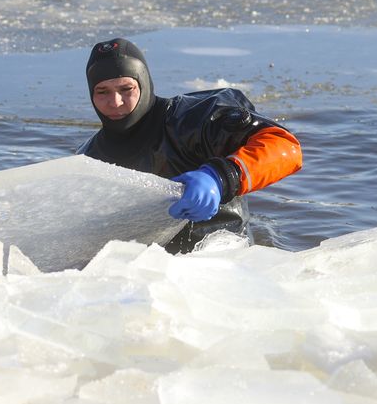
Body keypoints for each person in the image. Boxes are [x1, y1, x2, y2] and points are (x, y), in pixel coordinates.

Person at [77, 38, 302, 253]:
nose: (115, 102)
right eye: (102, 91)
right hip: (145, 271)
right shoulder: (89, 157)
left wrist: (222, 177)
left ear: (144, 83)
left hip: (223, 257)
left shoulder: (192, 120)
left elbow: (284, 146)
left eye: (126, 89)